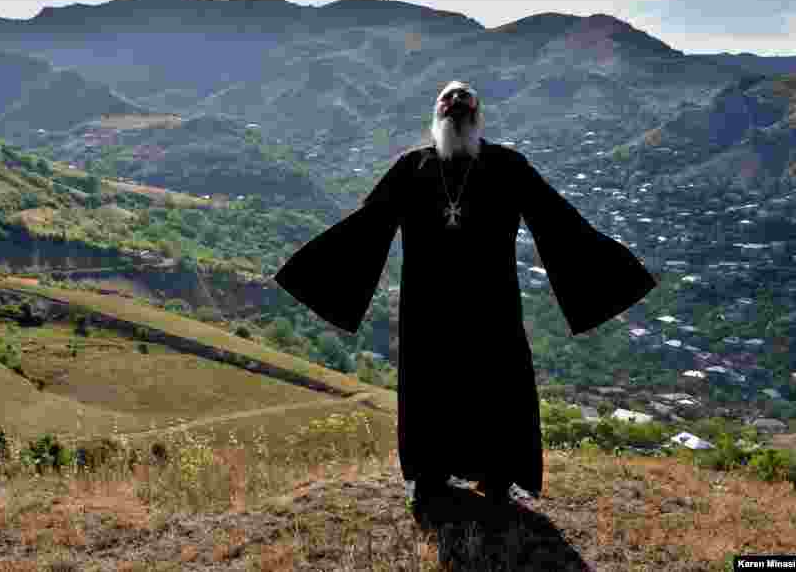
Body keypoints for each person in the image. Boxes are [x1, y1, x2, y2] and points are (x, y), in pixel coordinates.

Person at [272, 80, 658, 504]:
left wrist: (616, 274)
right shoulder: (414, 168)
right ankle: (434, 474)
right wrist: (310, 271)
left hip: (486, 304)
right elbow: (366, 227)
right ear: (445, 117)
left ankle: (490, 476)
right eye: (451, 108)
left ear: (471, 119)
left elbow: (559, 222)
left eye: (462, 110)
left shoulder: (506, 166)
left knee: (485, 385)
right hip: (433, 306)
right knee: (444, 388)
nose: (455, 115)